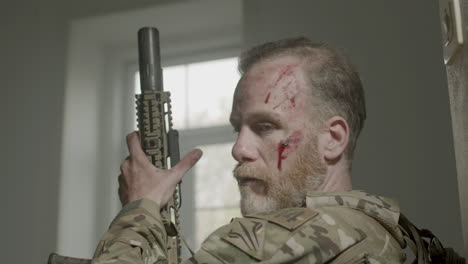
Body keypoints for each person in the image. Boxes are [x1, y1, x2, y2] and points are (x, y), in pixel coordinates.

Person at [91, 37, 407, 264]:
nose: (239, 149)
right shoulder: (404, 239)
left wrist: (138, 208)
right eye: (236, 128)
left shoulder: (259, 244)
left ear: (333, 138)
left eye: (265, 127)